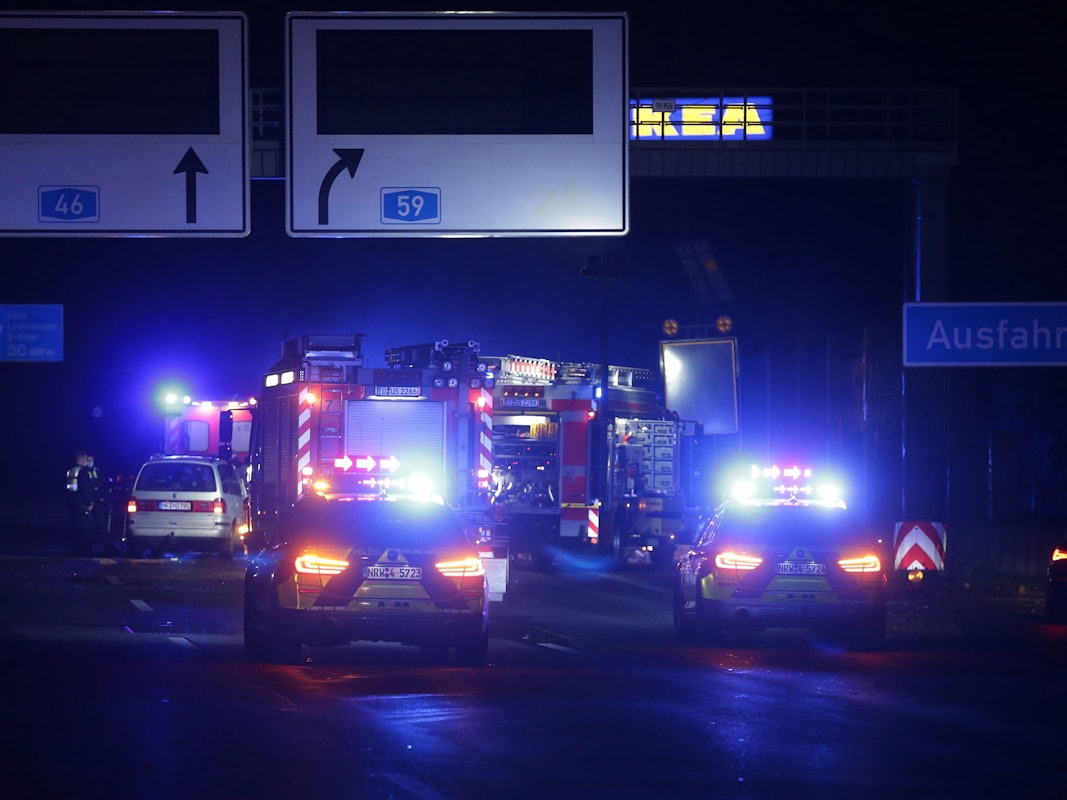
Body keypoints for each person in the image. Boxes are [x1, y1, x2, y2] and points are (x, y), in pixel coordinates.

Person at [77, 452, 113, 555]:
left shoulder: (97, 471)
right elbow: (84, 489)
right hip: (90, 505)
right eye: (88, 460)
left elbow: (104, 485)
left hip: (100, 503)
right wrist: (89, 502)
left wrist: (102, 498)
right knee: (90, 528)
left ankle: (108, 548)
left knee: (102, 526)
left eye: (92, 459)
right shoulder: (83, 473)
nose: (90, 462)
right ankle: (87, 549)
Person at [66, 450, 89, 555]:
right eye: (85, 458)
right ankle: (81, 549)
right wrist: (87, 502)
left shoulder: (70, 470)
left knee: (73, 525)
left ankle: (74, 548)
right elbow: (83, 488)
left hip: (71, 499)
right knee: (82, 526)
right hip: (80, 500)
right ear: (81, 457)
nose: (86, 460)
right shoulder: (82, 471)